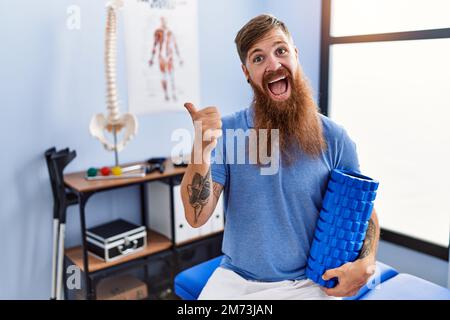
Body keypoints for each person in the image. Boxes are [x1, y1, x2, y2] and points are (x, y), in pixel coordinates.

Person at [180, 14, 380, 300]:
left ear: (295, 56)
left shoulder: (335, 137)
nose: (273, 64)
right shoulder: (229, 133)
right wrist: (200, 149)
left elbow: (363, 210)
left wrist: (367, 261)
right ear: (246, 72)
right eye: (258, 58)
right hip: (235, 279)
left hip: (308, 284)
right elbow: (196, 217)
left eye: (280, 50)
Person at [149, 16, 183, 101]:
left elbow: (175, 45)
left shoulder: (170, 32)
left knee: (171, 76)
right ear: (161, 21)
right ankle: (166, 94)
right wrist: (152, 58)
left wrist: (179, 58)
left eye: (165, 21)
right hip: (162, 56)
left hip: (169, 56)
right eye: (162, 21)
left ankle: (174, 93)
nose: (164, 22)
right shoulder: (158, 32)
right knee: (164, 76)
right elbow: (155, 44)